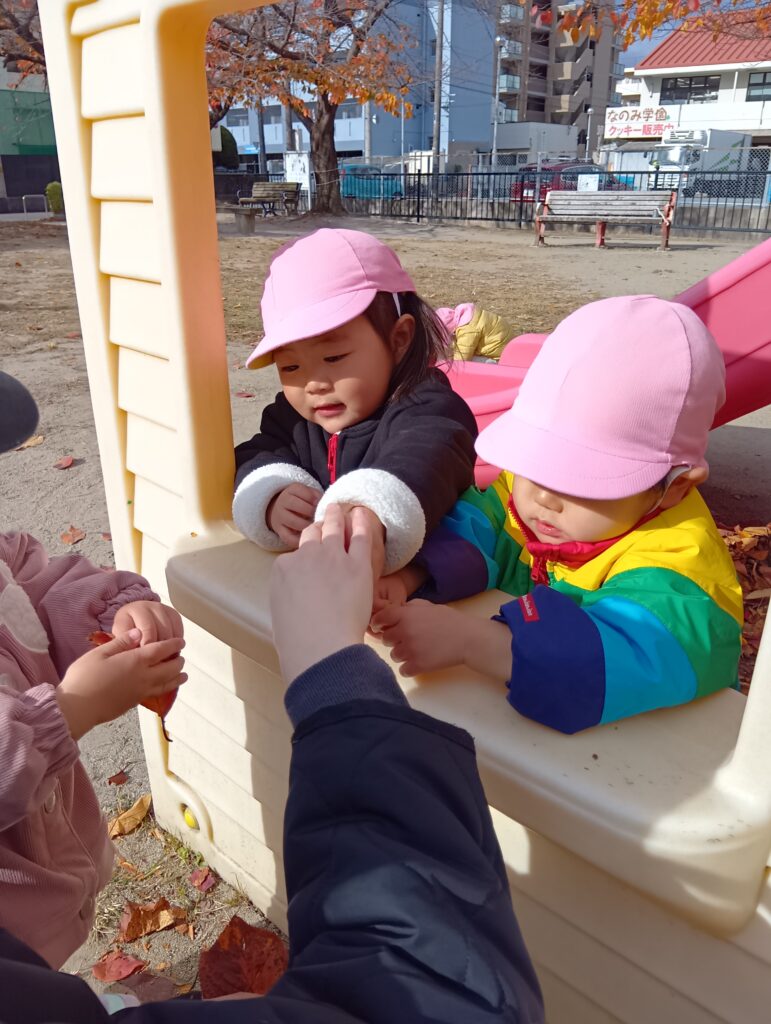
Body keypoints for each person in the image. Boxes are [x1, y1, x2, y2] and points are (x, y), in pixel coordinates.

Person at [0, 505, 545, 1023]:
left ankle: (71, 999)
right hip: (28, 915)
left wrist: (115, 610)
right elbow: (428, 996)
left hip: (47, 908)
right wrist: (329, 665)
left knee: (46, 986)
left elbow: (36, 586)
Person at [371, 296, 743, 734]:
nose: (544, 496)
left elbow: (632, 653)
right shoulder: (534, 495)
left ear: (674, 486)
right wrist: (413, 573)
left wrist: (475, 642)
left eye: (583, 479)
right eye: (535, 462)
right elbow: (489, 525)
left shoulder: (684, 570)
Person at [0, 372, 187, 969]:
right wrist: (72, 710)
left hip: (55, 857)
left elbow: (42, 590)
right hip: (12, 929)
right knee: (30, 992)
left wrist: (117, 612)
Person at [232, 227, 478, 581]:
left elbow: (427, 457)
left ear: (399, 339)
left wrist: (370, 513)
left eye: (333, 357)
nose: (314, 384)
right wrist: (272, 496)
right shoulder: (293, 419)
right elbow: (256, 454)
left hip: (431, 587)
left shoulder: (428, 408)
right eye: (290, 367)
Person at [436, 302, 514, 362]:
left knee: (470, 361)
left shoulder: (468, 330)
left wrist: (449, 365)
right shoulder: (466, 315)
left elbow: (462, 358)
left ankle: (490, 367)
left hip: (497, 357)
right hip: (502, 344)